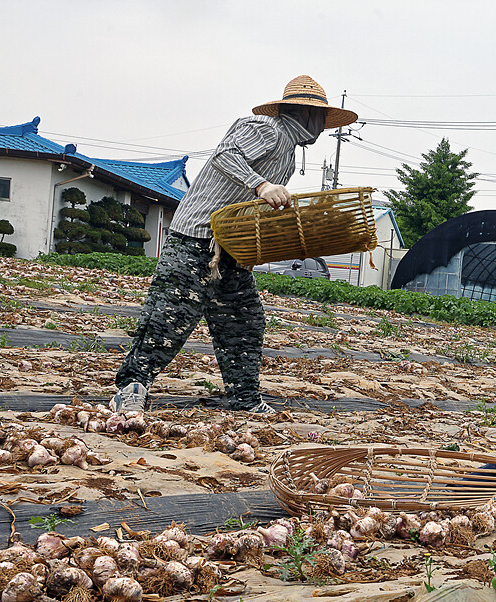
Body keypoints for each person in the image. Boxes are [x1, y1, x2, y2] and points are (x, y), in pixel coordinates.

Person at [109, 76, 356, 414]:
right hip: (195, 239)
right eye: (319, 117)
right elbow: (226, 154)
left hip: (231, 249)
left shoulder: (289, 152)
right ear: (301, 112)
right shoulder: (266, 128)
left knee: (244, 321)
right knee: (169, 319)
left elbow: (254, 206)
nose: (323, 126)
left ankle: (244, 399)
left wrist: (258, 246)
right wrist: (261, 185)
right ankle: (131, 386)